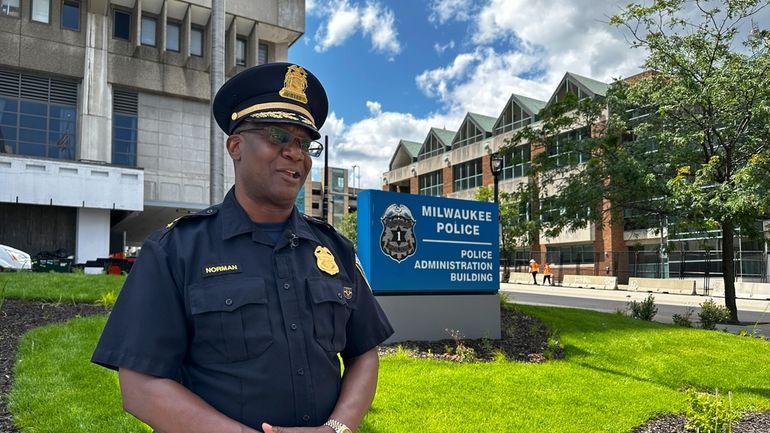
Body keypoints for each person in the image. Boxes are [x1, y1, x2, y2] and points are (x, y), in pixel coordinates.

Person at [92, 63, 394, 433]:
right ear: (235, 146)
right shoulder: (176, 250)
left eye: (303, 142)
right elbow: (140, 385)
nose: (295, 153)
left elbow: (363, 352)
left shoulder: (335, 249)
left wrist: (336, 429)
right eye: (278, 137)